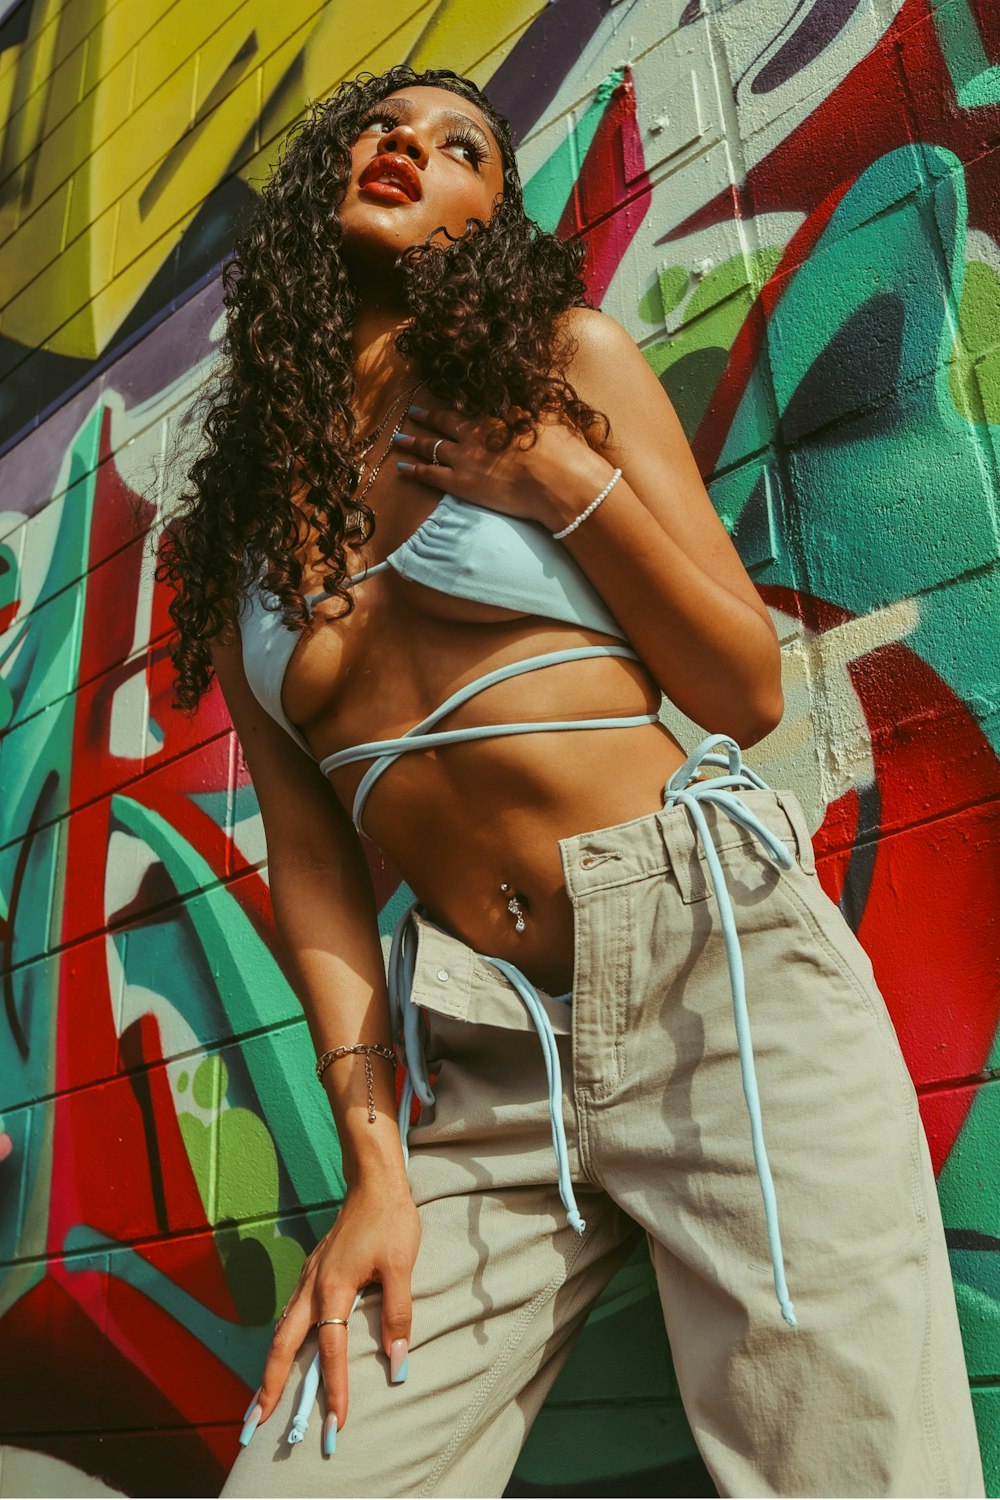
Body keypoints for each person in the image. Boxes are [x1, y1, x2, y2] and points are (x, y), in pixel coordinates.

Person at [158, 64, 984, 1499]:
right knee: (314, 1469)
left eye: (459, 145)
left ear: (494, 216)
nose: (409, 150)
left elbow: (743, 686)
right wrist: (374, 1166)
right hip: (476, 1048)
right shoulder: (242, 546)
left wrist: (555, 481)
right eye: (381, 130)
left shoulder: (565, 365)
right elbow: (316, 874)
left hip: (710, 966)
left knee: (855, 1469)